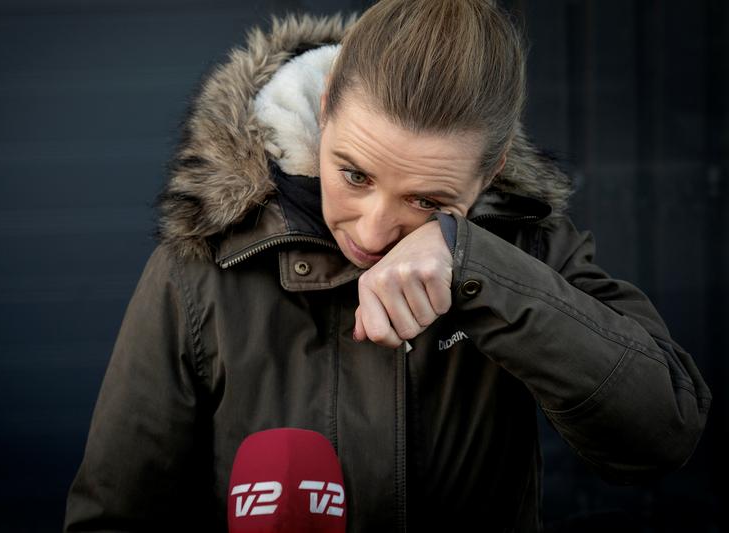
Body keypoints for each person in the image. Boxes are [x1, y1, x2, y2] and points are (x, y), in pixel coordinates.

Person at [64, 1, 711, 531]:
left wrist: (475, 263)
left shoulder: (529, 246)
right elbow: (111, 518)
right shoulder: (205, 261)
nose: (372, 231)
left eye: (426, 200)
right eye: (354, 173)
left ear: (488, 171)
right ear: (323, 113)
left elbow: (660, 433)